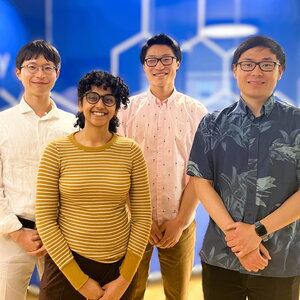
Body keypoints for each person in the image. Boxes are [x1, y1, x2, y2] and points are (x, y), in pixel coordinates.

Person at [187, 35, 300, 300]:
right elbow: (201, 182)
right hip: (221, 256)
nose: (257, 71)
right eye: (248, 64)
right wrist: (240, 241)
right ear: (235, 70)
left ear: (280, 71)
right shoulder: (212, 123)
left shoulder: (296, 123)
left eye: (266, 64)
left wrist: (258, 232)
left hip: (279, 259)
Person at [35, 70, 152, 300]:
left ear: (117, 107)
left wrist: (124, 279)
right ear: (80, 102)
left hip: (117, 269)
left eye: (109, 99)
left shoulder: (131, 151)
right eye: (92, 97)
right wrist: (81, 282)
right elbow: (46, 220)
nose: (100, 105)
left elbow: (142, 218)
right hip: (66, 267)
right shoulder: (56, 152)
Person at [118, 33, 207, 300]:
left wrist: (180, 221)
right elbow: (121, 169)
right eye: (151, 60)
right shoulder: (126, 109)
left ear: (177, 63)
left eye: (166, 59)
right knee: (130, 292)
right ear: (144, 66)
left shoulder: (196, 111)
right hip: (133, 222)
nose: (159, 65)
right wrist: (140, 219)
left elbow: (201, 172)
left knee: (178, 294)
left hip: (180, 221)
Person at [0, 40, 75, 300]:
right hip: (11, 235)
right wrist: (16, 231)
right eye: (32, 67)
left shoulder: (74, 126)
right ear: (18, 72)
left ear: (58, 73)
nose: (40, 74)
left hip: (62, 235)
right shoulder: (2, 123)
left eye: (47, 67)